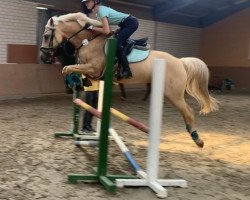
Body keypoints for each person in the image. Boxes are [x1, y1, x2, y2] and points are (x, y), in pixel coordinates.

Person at [81, 0, 139, 79]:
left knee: (116, 44)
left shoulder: (101, 11)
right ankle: (119, 67)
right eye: (85, 2)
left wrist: (91, 27)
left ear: (95, 2)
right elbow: (108, 31)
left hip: (130, 23)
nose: (86, 4)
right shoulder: (99, 13)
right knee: (114, 40)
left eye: (88, 2)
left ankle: (127, 70)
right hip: (124, 24)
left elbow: (106, 31)